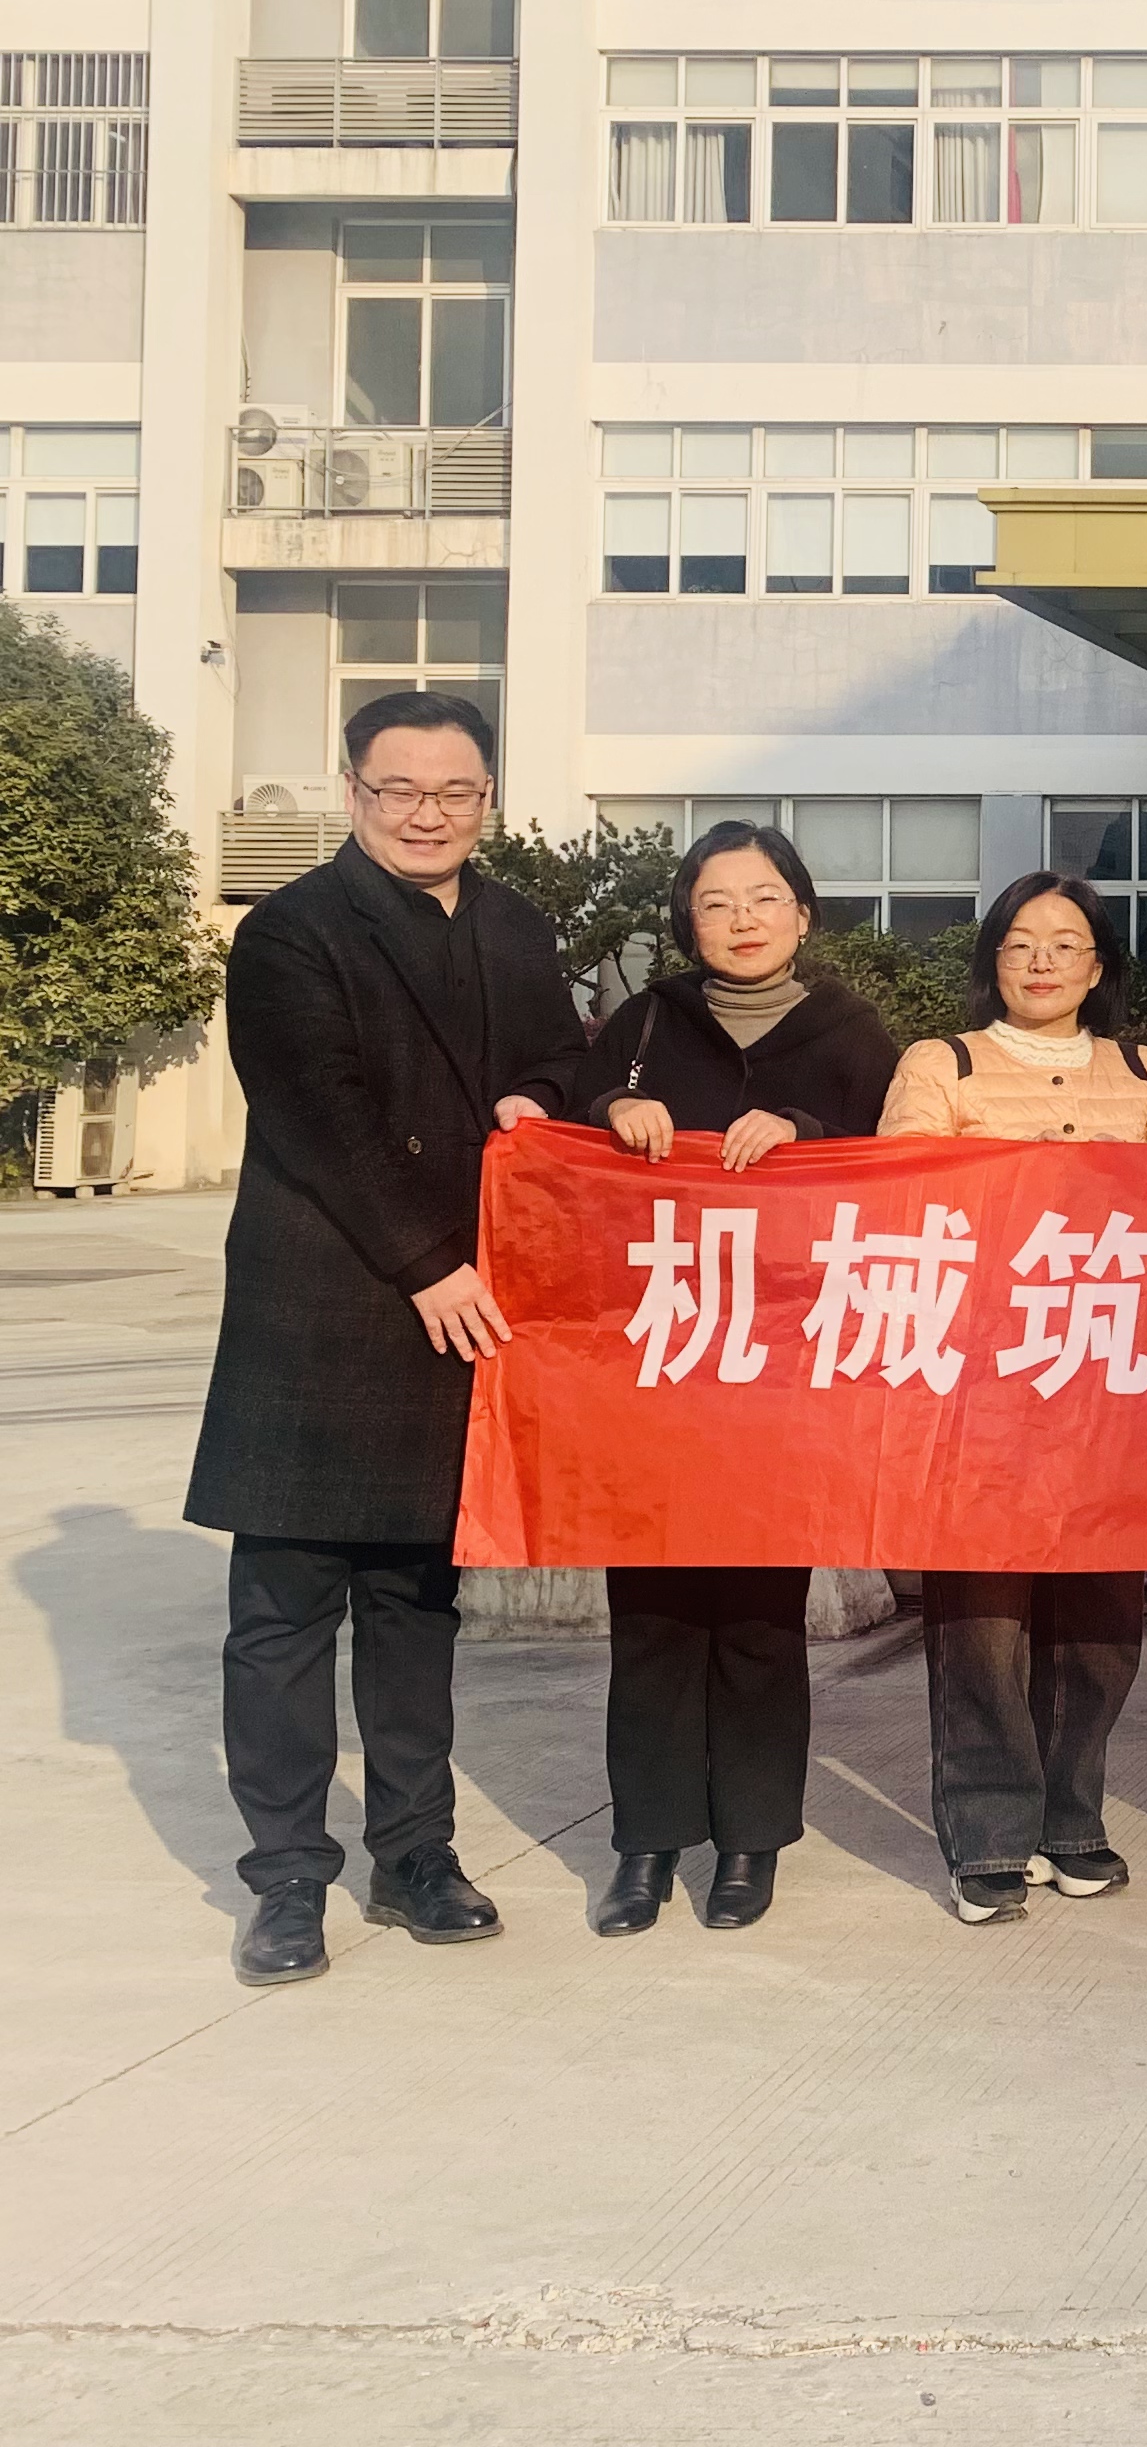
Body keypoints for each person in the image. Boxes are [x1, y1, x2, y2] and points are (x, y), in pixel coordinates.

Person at [186, 692, 586, 1987]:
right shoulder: (292, 931)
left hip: (461, 1309)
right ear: (353, 791)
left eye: (454, 791)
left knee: (418, 1603)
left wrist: (541, 1096)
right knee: (286, 1609)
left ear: (487, 799)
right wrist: (426, 1262)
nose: (427, 814)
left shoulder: (517, 927)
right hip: (328, 1304)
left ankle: (416, 1856)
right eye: (399, 789)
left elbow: (564, 1057)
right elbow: (321, 1113)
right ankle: (287, 1879)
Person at [541, 821, 900, 1937]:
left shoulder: (853, 1032)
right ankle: (646, 1844)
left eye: (763, 898)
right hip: (653, 1363)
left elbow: (897, 1165)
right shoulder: (645, 1023)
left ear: (803, 911)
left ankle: (751, 1841)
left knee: (759, 1613)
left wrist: (803, 1128)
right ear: (686, 922)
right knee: (650, 1612)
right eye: (716, 903)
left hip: (783, 1369)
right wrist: (611, 1111)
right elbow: (561, 1141)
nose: (743, 921)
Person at [879, 871, 1147, 1927]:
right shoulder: (941, 1064)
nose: (1042, 961)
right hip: (978, 1384)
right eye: (1019, 943)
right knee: (983, 1617)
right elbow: (899, 1198)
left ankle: (1071, 1816)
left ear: (1098, 967)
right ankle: (990, 1834)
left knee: (1101, 1615)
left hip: (1106, 1380)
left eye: (1066, 943)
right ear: (992, 961)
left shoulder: (1143, 1070)